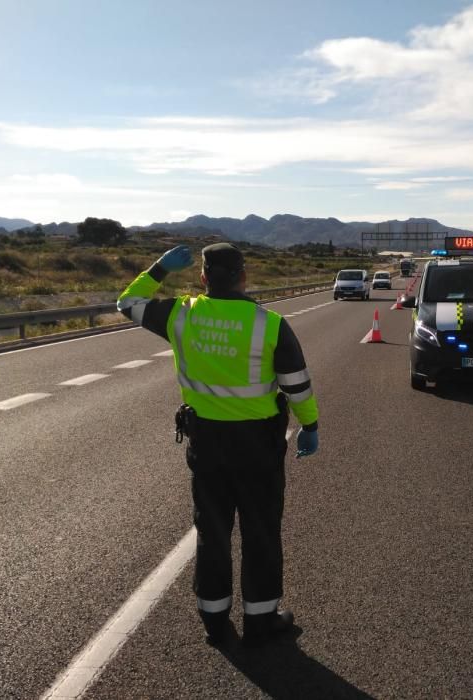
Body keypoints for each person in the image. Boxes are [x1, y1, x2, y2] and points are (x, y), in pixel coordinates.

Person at [116, 243, 319, 647]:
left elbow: (127, 302)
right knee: (260, 528)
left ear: (205, 278)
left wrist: (159, 269)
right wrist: (310, 424)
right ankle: (261, 620)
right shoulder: (270, 324)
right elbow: (296, 384)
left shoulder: (181, 315)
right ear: (243, 278)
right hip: (258, 444)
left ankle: (213, 617)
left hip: (206, 441)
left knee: (212, 528)